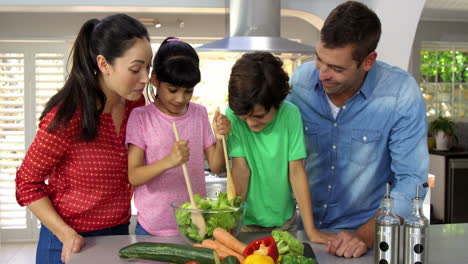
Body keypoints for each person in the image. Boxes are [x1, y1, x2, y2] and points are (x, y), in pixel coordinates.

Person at [287, 1, 429, 258]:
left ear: (368, 61)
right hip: (305, 235)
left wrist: (366, 234)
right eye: (319, 59)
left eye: (337, 68)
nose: (322, 74)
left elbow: (411, 180)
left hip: (367, 240)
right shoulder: (299, 83)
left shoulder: (400, 93)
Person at [15, 14, 152, 264]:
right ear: (104, 64)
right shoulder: (68, 116)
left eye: (148, 67)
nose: (145, 78)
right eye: (135, 69)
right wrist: (65, 233)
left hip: (118, 233)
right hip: (67, 240)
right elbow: (27, 183)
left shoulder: (136, 105)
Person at [126, 37, 230, 236]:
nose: (180, 99)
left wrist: (219, 138)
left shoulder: (199, 113)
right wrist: (169, 161)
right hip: (151, 228)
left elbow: (217, 167)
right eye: (172, 90)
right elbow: (134, 176)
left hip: (194, 226)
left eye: (188, 91)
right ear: (155, 80)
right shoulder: (140, 117)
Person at [226, 52, 334, 244]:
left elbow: (296, 172)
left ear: (278, 103)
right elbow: (241, 170)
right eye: (245, 117)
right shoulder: (233, 116)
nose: (251, 123)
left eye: (259, 116)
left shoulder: (290, 115)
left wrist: (310, 231)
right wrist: (231, 222)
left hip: (285, 223)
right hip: (245, 223)